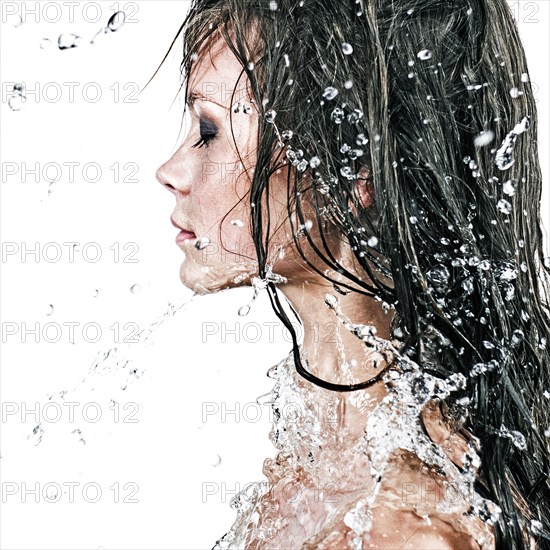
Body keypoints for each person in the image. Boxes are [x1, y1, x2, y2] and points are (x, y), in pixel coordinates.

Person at [154, 0, 550, 548]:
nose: (170, 171)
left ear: (353, 172)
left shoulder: (408, 530)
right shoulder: (318, 469)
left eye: (208, 128)